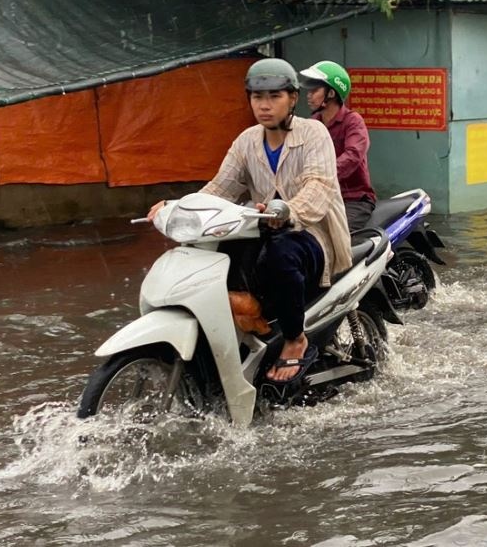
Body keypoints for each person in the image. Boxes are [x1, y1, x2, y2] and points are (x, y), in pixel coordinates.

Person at [147, 58, 352, 384]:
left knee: (280, 254)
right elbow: (218, 189)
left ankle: (294, 337)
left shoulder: (314, 133)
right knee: (216, 257)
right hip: (265, 227)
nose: (265, 106)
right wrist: (176, 207)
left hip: (313, 235)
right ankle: (245, 325)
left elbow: (319, 188)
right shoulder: (246, 142)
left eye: (274, 96)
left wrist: (287, 211)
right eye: (258, 97)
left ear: (292, 99)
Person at [298, 60, 377, 231]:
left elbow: (353, 155)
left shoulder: (353, 121)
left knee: (338, 235)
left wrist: (322, 174)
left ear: (331, 93)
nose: (309, 95)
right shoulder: (312, 123)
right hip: (321, 197)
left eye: (314, 90)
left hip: (353, 199)